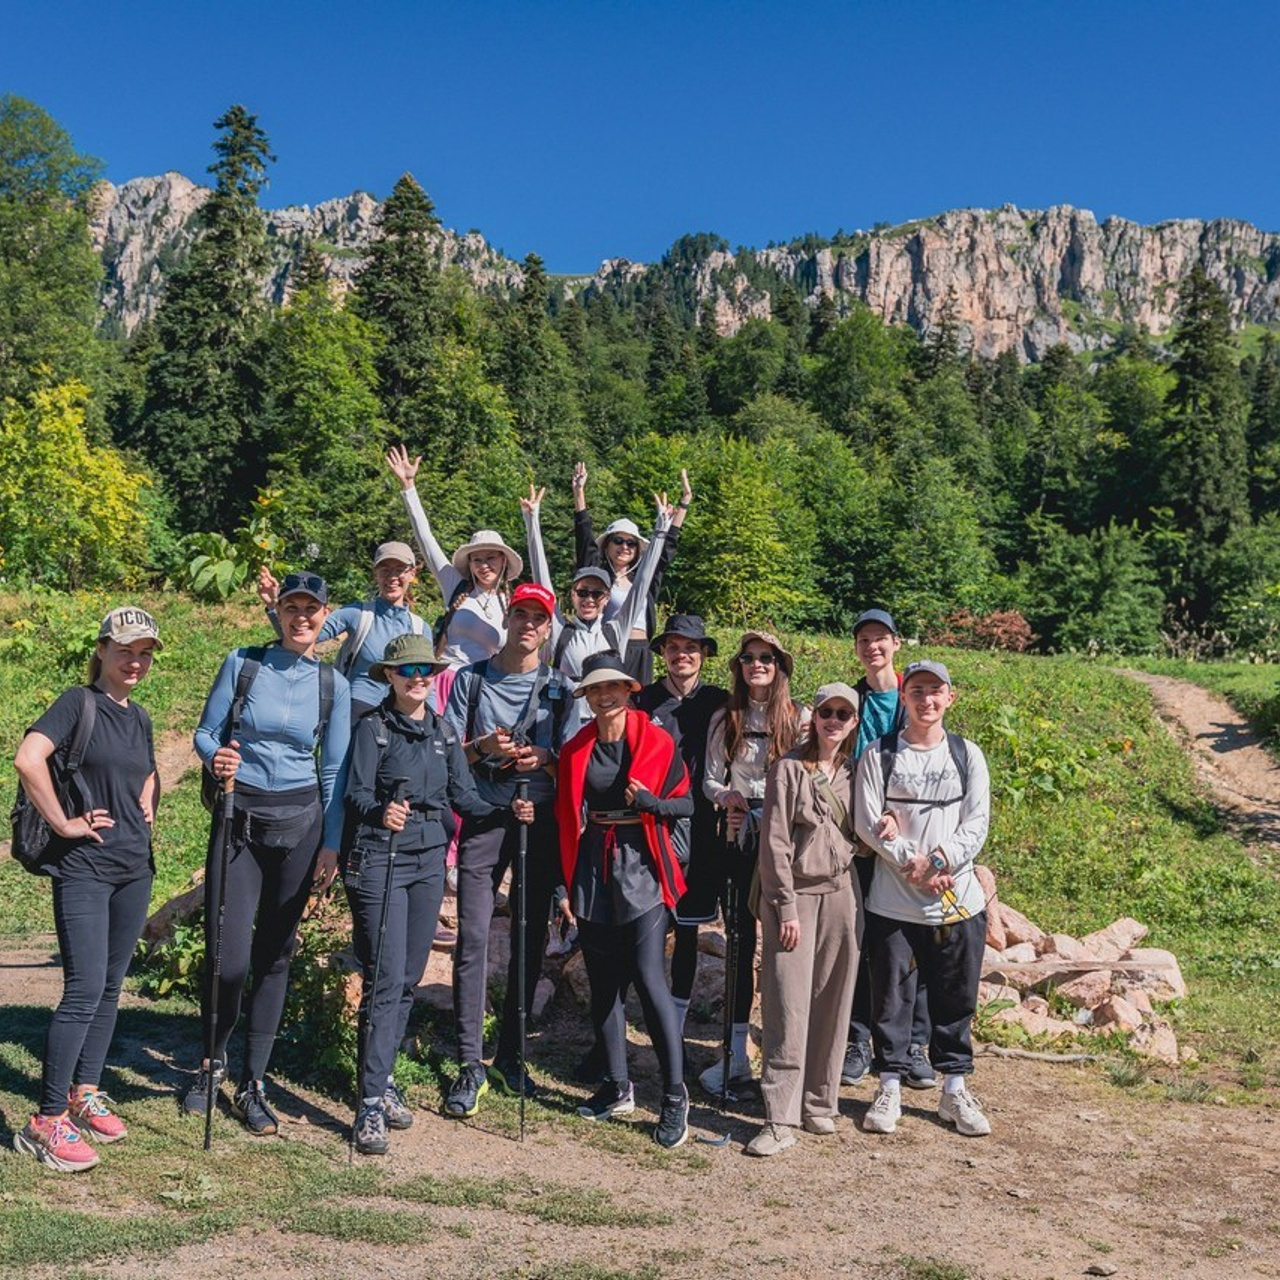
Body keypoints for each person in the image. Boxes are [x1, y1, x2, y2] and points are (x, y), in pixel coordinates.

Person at [343, 633, 527, 1155]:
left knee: (406, 979)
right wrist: (382, 810)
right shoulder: (372, 730)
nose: (419, 677)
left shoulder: (444, 731)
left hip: (426, 861)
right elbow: (353, 792)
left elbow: (465, 798)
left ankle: (378, 1081)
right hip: (382, 858)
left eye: (426, 669)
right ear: (390, 678)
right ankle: (371, 1101)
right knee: (384, 977)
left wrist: (506, 813)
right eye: (408, 671)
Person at [184, 573, 352, 1134]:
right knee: (227, 958)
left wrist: (331, 842)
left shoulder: (333, 685)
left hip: (301, 824)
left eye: (311, 609)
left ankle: (253, 1082)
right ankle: (212, 1060)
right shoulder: (243, 663)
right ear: (278, 611)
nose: (301, 617)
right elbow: (205, 733)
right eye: (292, 607)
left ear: (325, 616)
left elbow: (333, 770)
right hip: (239, 819)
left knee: (275, 956)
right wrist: (217, 760)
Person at [13, 609, 162, 1172]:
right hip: (84, 867)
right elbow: (29, 758)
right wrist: (62, 822)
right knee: (83, 989)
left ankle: (85, 1091)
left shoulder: (140, 716)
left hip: (133, 867)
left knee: (110, 987)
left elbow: (141, 770)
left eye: (145, 652)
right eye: (125, 649)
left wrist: (150, 794)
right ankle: (46, 1119)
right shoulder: (78, 703)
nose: (135, 661)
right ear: (102, 650)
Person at [555, 652, 693, 1149]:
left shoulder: (657, 741)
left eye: (612, 686)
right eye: (595, 689)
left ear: (630, 690)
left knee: (649, 979)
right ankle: (617, 1086)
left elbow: (687, 801)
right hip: (594, 865)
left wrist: (652, 804)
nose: (604, 695)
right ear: (587, 697)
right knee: (603, 981)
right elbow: (566, 817)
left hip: (644, 866)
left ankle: (675, 1094)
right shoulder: (576, 749)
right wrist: (562, 886)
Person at [441, 583, 567, 1118]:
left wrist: (545, 757)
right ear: (507, 619)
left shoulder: (560, 688)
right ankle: (470, 1060)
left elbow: (573, 762)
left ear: (548, 626)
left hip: (536, 822)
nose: (528, 625)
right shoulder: (470, 680)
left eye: (538, 617)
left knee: (528, 938)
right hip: (485, 817)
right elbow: (448, 753)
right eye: (520, 614)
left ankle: (512, 1054)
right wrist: (482, 749)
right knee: (472, 936)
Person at [854, 660, 992, 1138]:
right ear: (904, 697)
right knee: (890, 996)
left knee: (955, 996)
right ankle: (888, 1083)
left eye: (935, 691)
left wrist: (936, 862)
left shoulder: (967, 754)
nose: (926, 700)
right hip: (893, 903)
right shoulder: (880, 753)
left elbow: (977, 823)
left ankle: (954, 1088)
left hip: (957, 900)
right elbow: (865, 821)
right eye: (917, 691)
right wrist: (913, 862)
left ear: (950, 698)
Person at [747, 683, 861, 1157]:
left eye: (843, 714)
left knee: (834, 1001)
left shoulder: (857, 772)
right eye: (827, 712)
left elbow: (871, 827)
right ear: (814, 717)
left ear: (853, 722)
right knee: (787, 1004)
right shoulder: (788, 769)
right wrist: (784, 906)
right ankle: (778, 1116)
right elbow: (773, 843)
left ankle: (819, 1102)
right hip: (795, 897)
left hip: (842, 894)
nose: (834, 721)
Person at [699, 631, 809, 1095]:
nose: (757, 665)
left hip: (787, 843)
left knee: (788, 944)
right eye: (749, 658)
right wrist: (726, 796)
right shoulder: (727, 718)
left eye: (766, 658)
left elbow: (811, 777)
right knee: (741, 942)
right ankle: (735, 1053)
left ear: (780, 665)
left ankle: (789, 1053)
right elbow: (709, 778)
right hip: (739, 837)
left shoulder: (801, 718)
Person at [841, 608, 935, 1091]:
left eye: (880, 639)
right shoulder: (848, 702)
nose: (872, 647)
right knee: (862, 944)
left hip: (911, 842)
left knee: (911, 945)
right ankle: (858, 1042)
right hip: (859, 843)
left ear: (896, 643)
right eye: (863, 640)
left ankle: (912, 1045)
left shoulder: (914, 697)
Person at [636, 616, 729, 1043]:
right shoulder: (645, 701)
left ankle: (676, 1016)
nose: (682, 655)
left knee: (689, 928)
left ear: (704, 654)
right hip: (653, 824)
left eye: (691, 648)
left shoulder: (720, 702)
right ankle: (647, 1008)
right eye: (673, 647)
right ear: (662, 653)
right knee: (650, 921)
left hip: (705, 828)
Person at [522, 484, 674, 739]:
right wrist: (532, 519)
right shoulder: (561, 630)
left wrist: (661, 530)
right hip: (566, 725)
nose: (589, 599)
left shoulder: (616, 630)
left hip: (607, 725)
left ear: (607, 598)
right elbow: (541, 577)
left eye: (597, 594)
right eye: (582, 592)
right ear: (572, 595)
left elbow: (643, 581)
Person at [386, 444, 522, 714]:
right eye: (477, 559)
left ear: (503, 560)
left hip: (486, 687)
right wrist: (408, 487)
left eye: (491, 558)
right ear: (469, 563)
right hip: (446, 682)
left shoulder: (513, 602)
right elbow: (426, 540)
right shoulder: (455, 585)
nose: (484, 565)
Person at [258, 542, 428, 721]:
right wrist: (272, 605)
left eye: (399, 570)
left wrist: (434, 724)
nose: (392, 577)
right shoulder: (358, 614)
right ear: (376, 574)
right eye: (385, 570)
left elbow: (427, 679)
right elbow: (301, 637)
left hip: (401, 719)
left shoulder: (420, 627)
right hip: (357, 713)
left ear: (412, 573)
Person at [571, 461, 692, 684]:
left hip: (641, 649)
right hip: (610, 646)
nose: (625, 546)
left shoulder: (642, 581)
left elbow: (665, 551)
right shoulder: (599, 577)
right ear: (606, 544)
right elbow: (584, 540)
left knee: (638, 706)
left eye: (631, 543)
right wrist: (579, 493)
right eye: (618, 540)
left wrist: (683, 505)